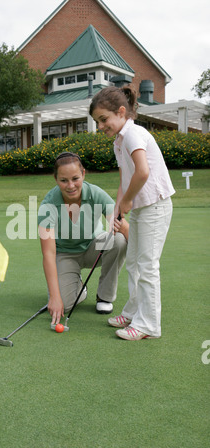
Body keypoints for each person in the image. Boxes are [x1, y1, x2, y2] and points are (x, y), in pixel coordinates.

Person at [90, 85, 175, 340]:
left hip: (155, 206)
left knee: (147, 266)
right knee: (134, 265)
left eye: (104, 119)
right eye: (97, 122)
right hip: (141, 207)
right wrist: (118, 208)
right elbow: (124, 179)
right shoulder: (119, 141)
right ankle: (133, 313)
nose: (101, 126)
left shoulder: (133, 134)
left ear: (122, 112)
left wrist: (126, 202)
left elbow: (142, 172)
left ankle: (149, 325)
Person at [38, 152, 128, 326]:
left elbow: (122, 226)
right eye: (64, 180)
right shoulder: (48, 205)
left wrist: (144, 257)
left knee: (118, 240)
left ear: (83, 174)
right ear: (55, 179)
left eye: (75, 178)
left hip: (94, 248)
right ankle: (80, 288)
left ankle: (104, 296)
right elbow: (48, 254)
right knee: (63, 305)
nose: (70, 185)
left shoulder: (95, 193)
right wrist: (55, 298)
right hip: (65, 255)